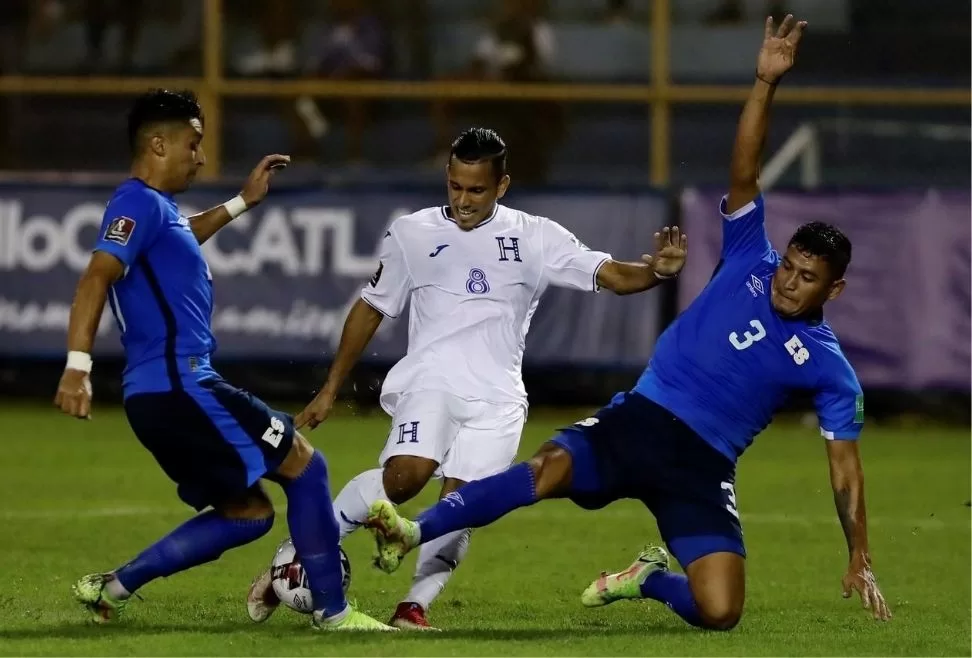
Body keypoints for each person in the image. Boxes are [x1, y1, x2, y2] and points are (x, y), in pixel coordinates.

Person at [363, 16, 892, 630]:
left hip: (703, 464)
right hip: (642, 418)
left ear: (836, 289)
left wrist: (859, 554)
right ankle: (411, 530)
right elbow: (745, 170)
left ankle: (646, 578)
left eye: (807, 277)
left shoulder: (831, 367)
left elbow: (845, 465)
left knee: (720, 611)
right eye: (790, 267)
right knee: (546, 470)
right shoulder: (751, 255)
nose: (789, 280)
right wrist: (764, 84)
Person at [245, 126, 688, 630]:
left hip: (497, 398)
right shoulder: (411, 233)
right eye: (454, 186)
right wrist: (330, 387)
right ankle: (298, 551)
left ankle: (413, 608)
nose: (462, 200)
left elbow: (612, 275)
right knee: (404, 479)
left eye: (476, 190)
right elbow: (371, 308)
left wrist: (659, 273)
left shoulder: (536, 236)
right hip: (431, 381)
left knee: (461, 506)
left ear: (502, 186)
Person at [54, 89, 393, 632]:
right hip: (184, 388)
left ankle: (111, 587)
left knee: (249, 515)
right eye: (193, 144)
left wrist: (240, 202)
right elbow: (97, 274)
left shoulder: (158, 212)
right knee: (307, 467)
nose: (200, 156)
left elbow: (183, 234)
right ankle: (334, 612)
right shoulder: (136, 202)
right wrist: (77, 365)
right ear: (158, 144)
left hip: (157, 398)